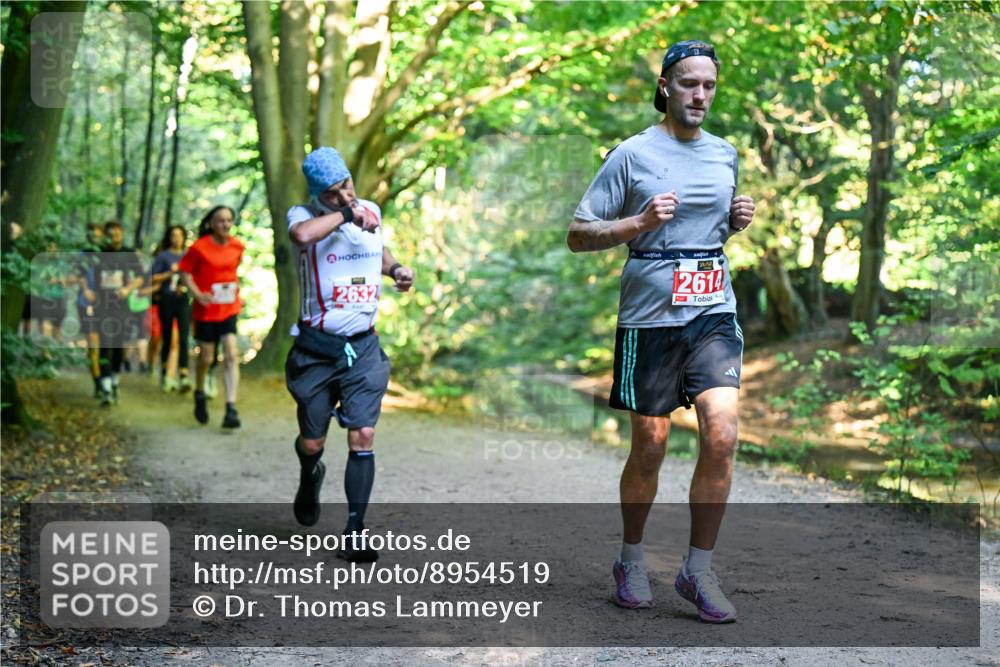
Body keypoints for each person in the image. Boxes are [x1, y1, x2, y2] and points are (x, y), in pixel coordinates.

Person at [567, 40, 756, 623]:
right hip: (649, 318)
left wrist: (732, 224)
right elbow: (578, 233)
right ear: (665, 88)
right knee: (650, 445)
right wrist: (638, 222)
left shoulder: (724, 154)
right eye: (689, 84)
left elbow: (707, 234)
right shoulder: (631, 154)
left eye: (708, 86)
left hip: (711, 311)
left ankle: (697, 571)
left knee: (722, 435)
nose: (700, 95)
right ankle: (629, 559)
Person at [285, 147, 414, 562]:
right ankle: (310, 471)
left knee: (363, 434)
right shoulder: (302, 217)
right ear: (319, 194)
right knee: (312, 440)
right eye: (334, 193)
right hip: (315, 351)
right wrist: (345, 215)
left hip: (362, 347)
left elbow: (377, 248)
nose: (345, 196)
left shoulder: (370, 210)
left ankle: (355, 531)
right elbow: (302, 238)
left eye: (347, 187)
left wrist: (396, 270)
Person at [178, 206, 243, 428]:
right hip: (206, 310)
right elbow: (185, 273)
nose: (225, 224)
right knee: (206, 358)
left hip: (229, 308)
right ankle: (199, 393)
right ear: (211, 223)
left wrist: (236, 290)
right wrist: (197, 294)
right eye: (220, 221)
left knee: (232, 354)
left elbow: (233, 272)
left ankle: (231, 408)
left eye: (228, 220)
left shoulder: (238, 246)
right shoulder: (199, 248)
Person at [90, 220, 146, 406]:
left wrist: (127, 289)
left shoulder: (129, 253)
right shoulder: (98, 253)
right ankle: (105, 388)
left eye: (117, 234)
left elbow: (140, 277)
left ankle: (114, 380)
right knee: (105, 345)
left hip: (122, 306)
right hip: (102, 305)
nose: (114, 237)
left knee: (119, 345)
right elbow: (85, 275)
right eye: (110, 234)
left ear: (121, 233)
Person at [150, 225, 192, 392]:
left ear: (183, 237)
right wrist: (169, 274)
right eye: (173, 235)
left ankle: (183, 374)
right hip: (166, 300)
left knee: (183, 337)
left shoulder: (189, 256)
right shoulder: (163, 256)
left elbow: (195, 276)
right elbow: (152, 277)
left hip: (182, 300)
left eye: (179, 235)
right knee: (167, 337)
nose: (176, 239)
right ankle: (166, 372)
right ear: (169, 238)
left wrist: (186, 286)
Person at [76, 222, 105, 398]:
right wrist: (86, 290)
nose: (94, 237)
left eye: (97, 234)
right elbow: (79, 274)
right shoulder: (82, 254)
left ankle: (105, 378)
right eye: (91, 234)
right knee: (93, 344)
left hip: (106, 305)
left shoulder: (105, 254)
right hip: (86, 303)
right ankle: (98, 382)